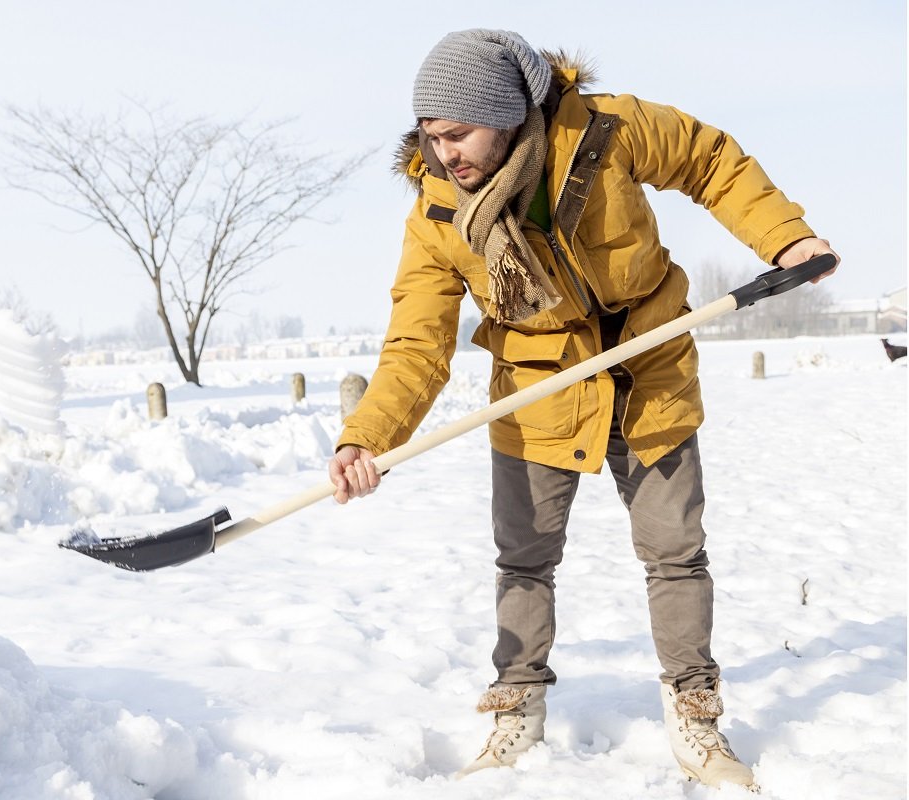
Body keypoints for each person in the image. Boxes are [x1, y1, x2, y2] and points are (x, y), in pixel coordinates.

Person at [327, 29, 838, 789]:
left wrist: (786, 238)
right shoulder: (439, 215)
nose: (444, 155)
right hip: (538, 390)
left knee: (675, 552)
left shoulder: (606, 132)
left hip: (650, 365)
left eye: (458, 134)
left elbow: (710, 160)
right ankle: (519, 708)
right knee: (524, 557)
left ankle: (694, 715)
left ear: (504, 115)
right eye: (431, 138)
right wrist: (364, 436)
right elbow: (416, 342)